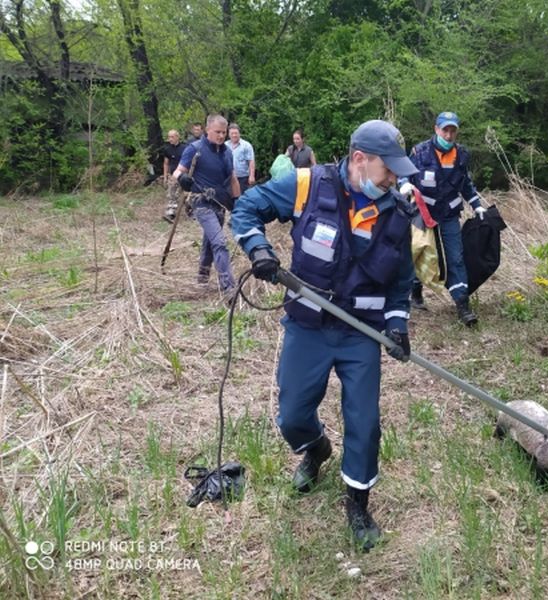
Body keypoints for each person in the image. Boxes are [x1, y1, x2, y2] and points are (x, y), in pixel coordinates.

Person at [231, 120, 417, 551]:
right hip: (308, 327)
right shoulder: (306, 185)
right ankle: (315, 449)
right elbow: (245, 210)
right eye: (387, 168)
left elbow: (401, 281)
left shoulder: (396, 213)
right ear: (359, 159)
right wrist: (259, 248)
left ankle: (357, 501)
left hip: (360, 336)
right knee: (292, 413)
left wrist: (398, 324)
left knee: (365, 424)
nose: (393, 177)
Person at [407, 111, 486, 326]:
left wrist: (477, 205)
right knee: (420, 252)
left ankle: (462, 305)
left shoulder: (461, 155)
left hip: (449, 214)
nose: (449, 135)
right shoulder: (420, 152)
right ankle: (415, 293)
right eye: (445, 130)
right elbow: (405, 174)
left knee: (456, 257)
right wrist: (404, 185)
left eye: (453, 131)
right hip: (423, 214)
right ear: (436, 129)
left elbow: (466, 184)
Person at [173, 114, 240, 303]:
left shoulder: (227, 152)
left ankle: (202, 280)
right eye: (217, 132)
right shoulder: (194, 149)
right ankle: (229, 288)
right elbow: (177, 171)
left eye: (223, 132)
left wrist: (237, 203)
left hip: (220, 204)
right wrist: (181, 179)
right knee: (219, 242)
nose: (221, 136)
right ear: (207, 130)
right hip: (201, 203)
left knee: (210, 244)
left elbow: (233, 179)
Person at [161, 130, 187, 223]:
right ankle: (171, 212)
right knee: (172, 193)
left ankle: (190, 210)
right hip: (173, 174)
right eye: (169, 137)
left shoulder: (185, 147)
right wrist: (165, 177)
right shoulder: (167, 149)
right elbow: (166, 163)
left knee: (186, 194)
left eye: (172, 137)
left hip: (184, 174)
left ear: (177, 137)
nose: (170, 139)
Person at [225, 123, 256, 195]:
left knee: (242, 198)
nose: (234, 135)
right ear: (228, 134)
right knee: (229, 198)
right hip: (229, 178)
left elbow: (251, 161)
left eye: (236, 133)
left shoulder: (246, 145)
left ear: (239, 133)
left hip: (243, 178)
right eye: (232, 133)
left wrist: (252, 176)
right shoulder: (225, 145)